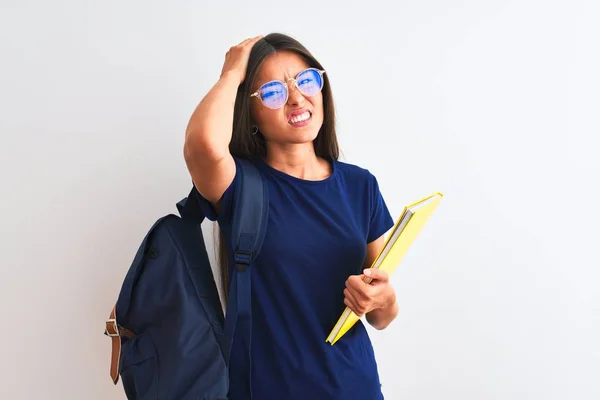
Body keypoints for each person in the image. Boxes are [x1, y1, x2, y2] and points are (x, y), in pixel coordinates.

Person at [183, 32, 399, 400]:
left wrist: (383, 299)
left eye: (306, 80)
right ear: (250, 113)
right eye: (272, 92)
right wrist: (232, 73)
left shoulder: (360, 186)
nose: (297, 97)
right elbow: (202, 143)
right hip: (266, 389)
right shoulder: (239, 185)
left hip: (353, 386)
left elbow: (381, 316)